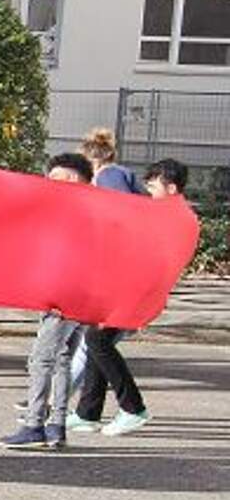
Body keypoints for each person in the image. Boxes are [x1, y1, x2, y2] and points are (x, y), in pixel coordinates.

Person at [66, 158, 184, 438]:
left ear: (171, 188)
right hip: (128, 288)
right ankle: (87, 413)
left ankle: (133, 408)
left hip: (135, 292)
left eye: (153, 186)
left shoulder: (171, 217)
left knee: (97, 340)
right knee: (96, 339)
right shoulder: (162, 213)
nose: (147, 191)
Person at [0, 152, 95, 449]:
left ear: (73, 178)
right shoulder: (94, 209)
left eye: (55, 177)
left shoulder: (71, 211)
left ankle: (34, 424)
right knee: (62, 359)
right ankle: (56, 425)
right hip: (81, 296)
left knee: (41, 359)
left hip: (63, 296)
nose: (49, 182)